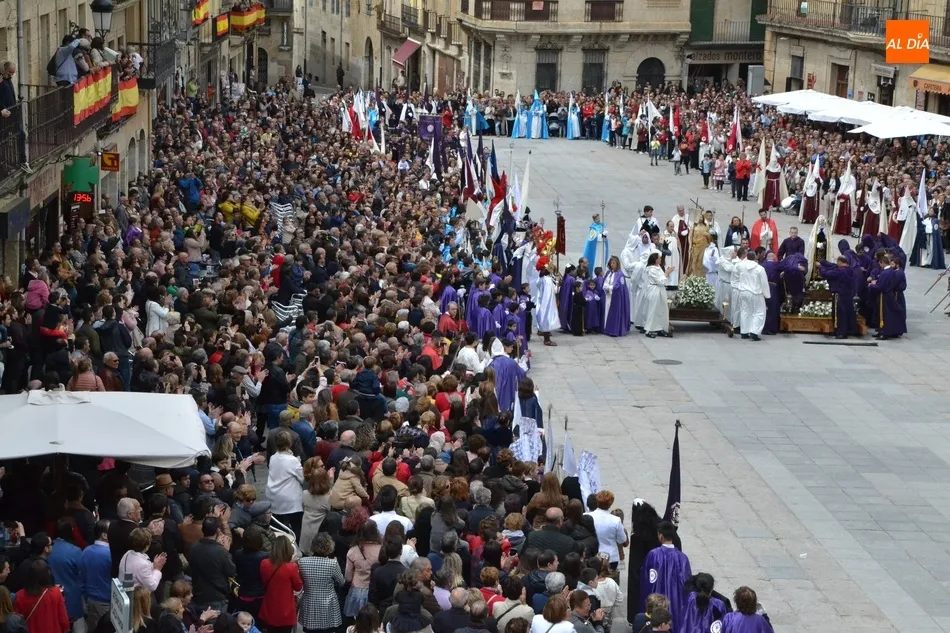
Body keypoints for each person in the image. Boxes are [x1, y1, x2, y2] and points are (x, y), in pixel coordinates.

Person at [639, 521, 691, 630]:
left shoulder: (653, 555)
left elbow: (646, 581)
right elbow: (687, 584)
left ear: (661, 536)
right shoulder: (683, 558)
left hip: (656, 604)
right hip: (676, 605)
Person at [298, 533, 347, 633]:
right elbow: (342, 582)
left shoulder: (302, 562)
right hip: (327, 605)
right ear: (329, 547)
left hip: (309, 603)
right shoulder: (332, 563)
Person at [258, 537, 303, 633]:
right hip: (286, 612)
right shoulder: (292, 567)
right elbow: (298, 587)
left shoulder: (264, 563)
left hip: (269, 609)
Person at [266, 430, 305, 541]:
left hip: (274, 497)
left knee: (279, 529)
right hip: (290, 501)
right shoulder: (293, 460)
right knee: (297, 527)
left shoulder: (273, 457)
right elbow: (302, 479)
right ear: (290, 443)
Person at [13, 560, 69, 633]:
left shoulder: (19, 595)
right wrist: (66, 628)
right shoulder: (56, 592)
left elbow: (18, 620)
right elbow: (63, 618)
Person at [819, 256, 859, 339]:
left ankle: (841, 332)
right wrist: (824, 262)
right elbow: (833, 266)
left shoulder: (840, 271)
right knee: (846, 313)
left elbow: (826, 274)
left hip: (840, 294)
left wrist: (820, 266)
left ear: (840, 262)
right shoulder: (850, 269)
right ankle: (843, 330)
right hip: (848, 294)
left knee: (840, 314)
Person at [734, 247, 770, 341]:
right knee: (759, 312)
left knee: (745, 311)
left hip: (743, 291)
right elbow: (764, 283)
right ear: (755, 257)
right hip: (755, 293)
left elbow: (735, 274)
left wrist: (738, 285)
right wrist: (767, 295)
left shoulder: (740, 266)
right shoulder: (760, 269)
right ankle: (754, 331)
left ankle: (744, 332)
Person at [640, 254, 673, 338]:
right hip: (654, 290)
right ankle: (649, 330)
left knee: (661, 310)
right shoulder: (651, 269)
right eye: (659, 258)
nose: (661, 259)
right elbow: (659, 281)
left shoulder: (658, 267)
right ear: (655, 260)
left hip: (661, 290)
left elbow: (663, 279)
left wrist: (667, 273)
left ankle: (660, 328)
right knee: (653, 310)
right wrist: (666, 273)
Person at [601, 256, 630, 337]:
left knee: (614, 313)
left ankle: (613, 329)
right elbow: (604, 282)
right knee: (606, 311)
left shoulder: (620, 274)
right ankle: (605, 328)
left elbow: (618, 286)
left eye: (614, 263)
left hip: (615, 297)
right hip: (607, 296)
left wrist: (609, 287)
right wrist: (605, 286)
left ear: (617, 264)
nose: (612, 264)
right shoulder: (608, 273)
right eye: (611, 263)